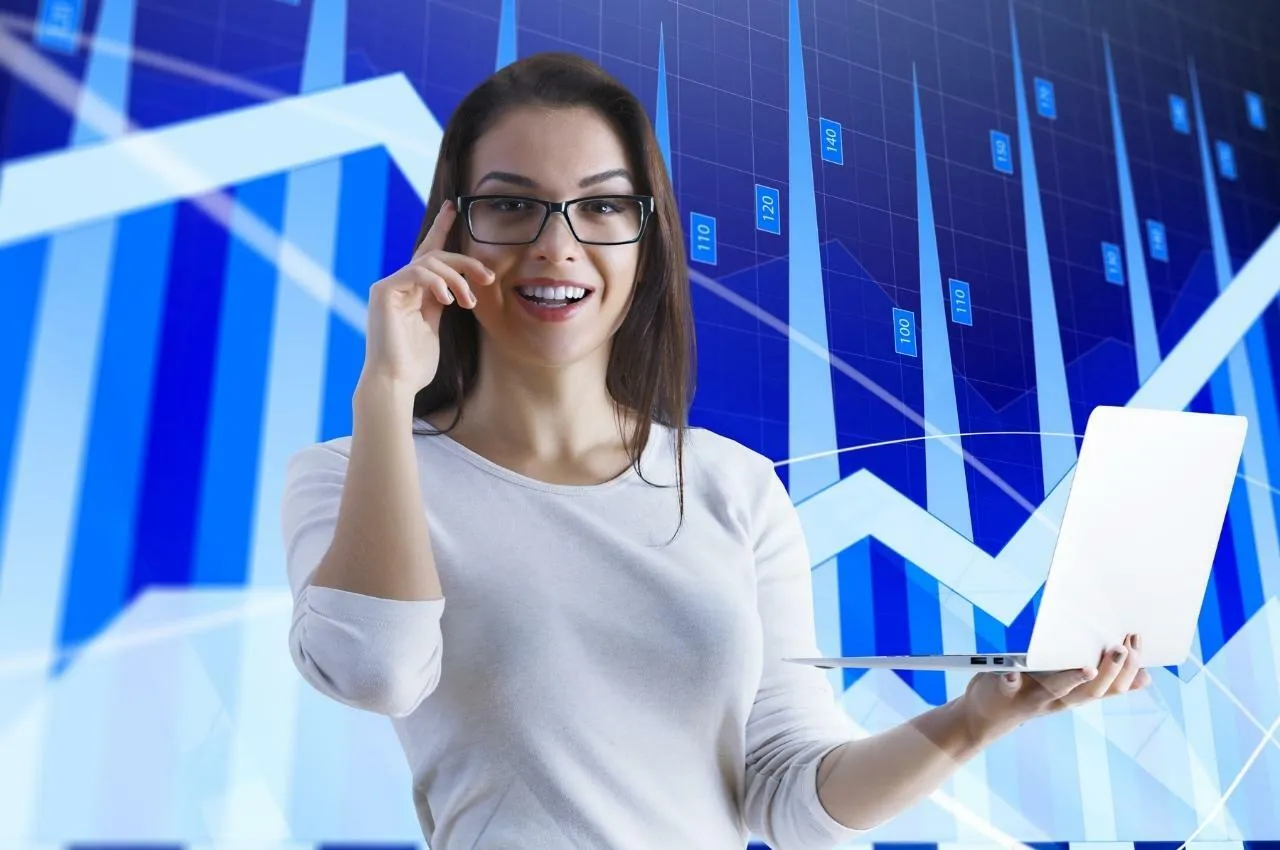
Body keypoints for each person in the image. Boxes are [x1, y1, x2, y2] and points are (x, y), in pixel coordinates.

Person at [280, 51, 1150, 850]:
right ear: (452, 231)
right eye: (510, 204)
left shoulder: (734, 484)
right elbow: (376, 672)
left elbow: (787, 793)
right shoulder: (358, 472)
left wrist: (978, 721)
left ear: (647, 235)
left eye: (603, 205)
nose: (558, 245)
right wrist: (387, 393)